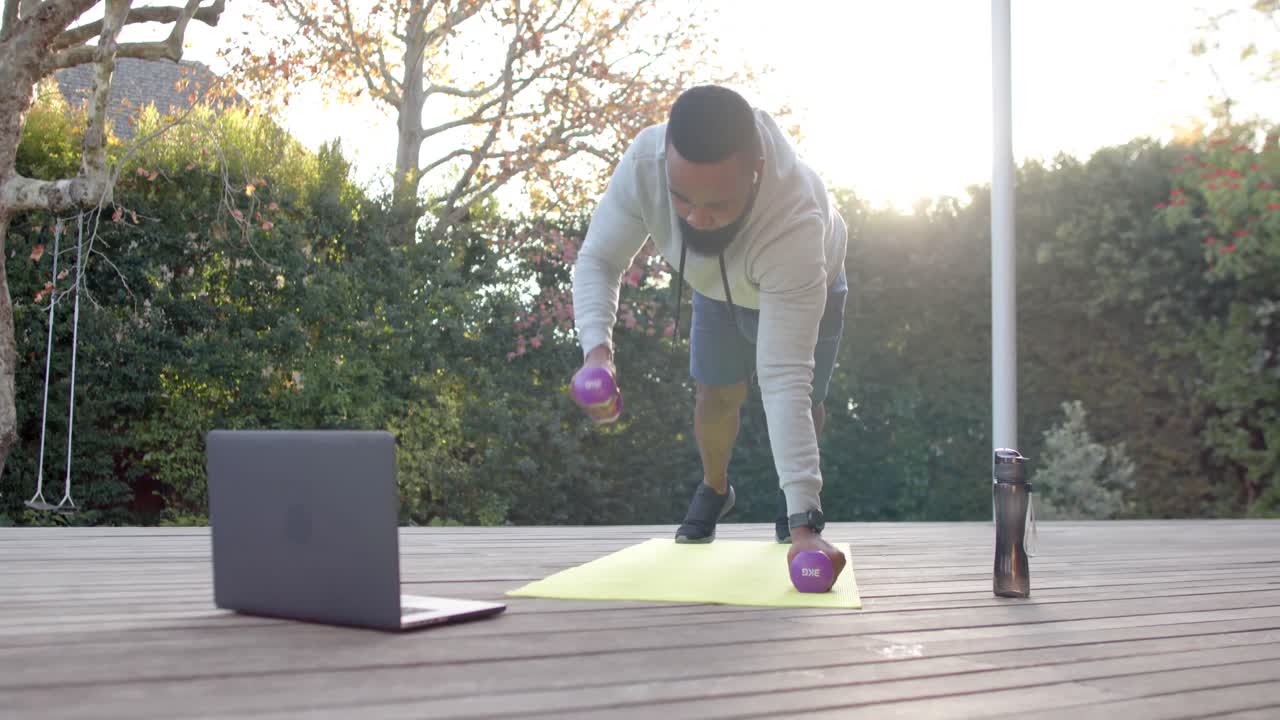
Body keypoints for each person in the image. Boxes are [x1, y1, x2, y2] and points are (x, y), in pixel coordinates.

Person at [571, 85, 848, 580]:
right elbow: (600, 258)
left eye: (717, 204)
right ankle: (715, 489)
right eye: (681, 200)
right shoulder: (644, 163)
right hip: (714, 285)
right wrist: (597, 353)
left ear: (756, 170)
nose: (696, 218)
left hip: (801, 283)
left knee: (803, 399)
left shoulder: (796, 223)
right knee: (715, 392)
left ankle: (793, 511)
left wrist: (807, 527)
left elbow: (784, 379)